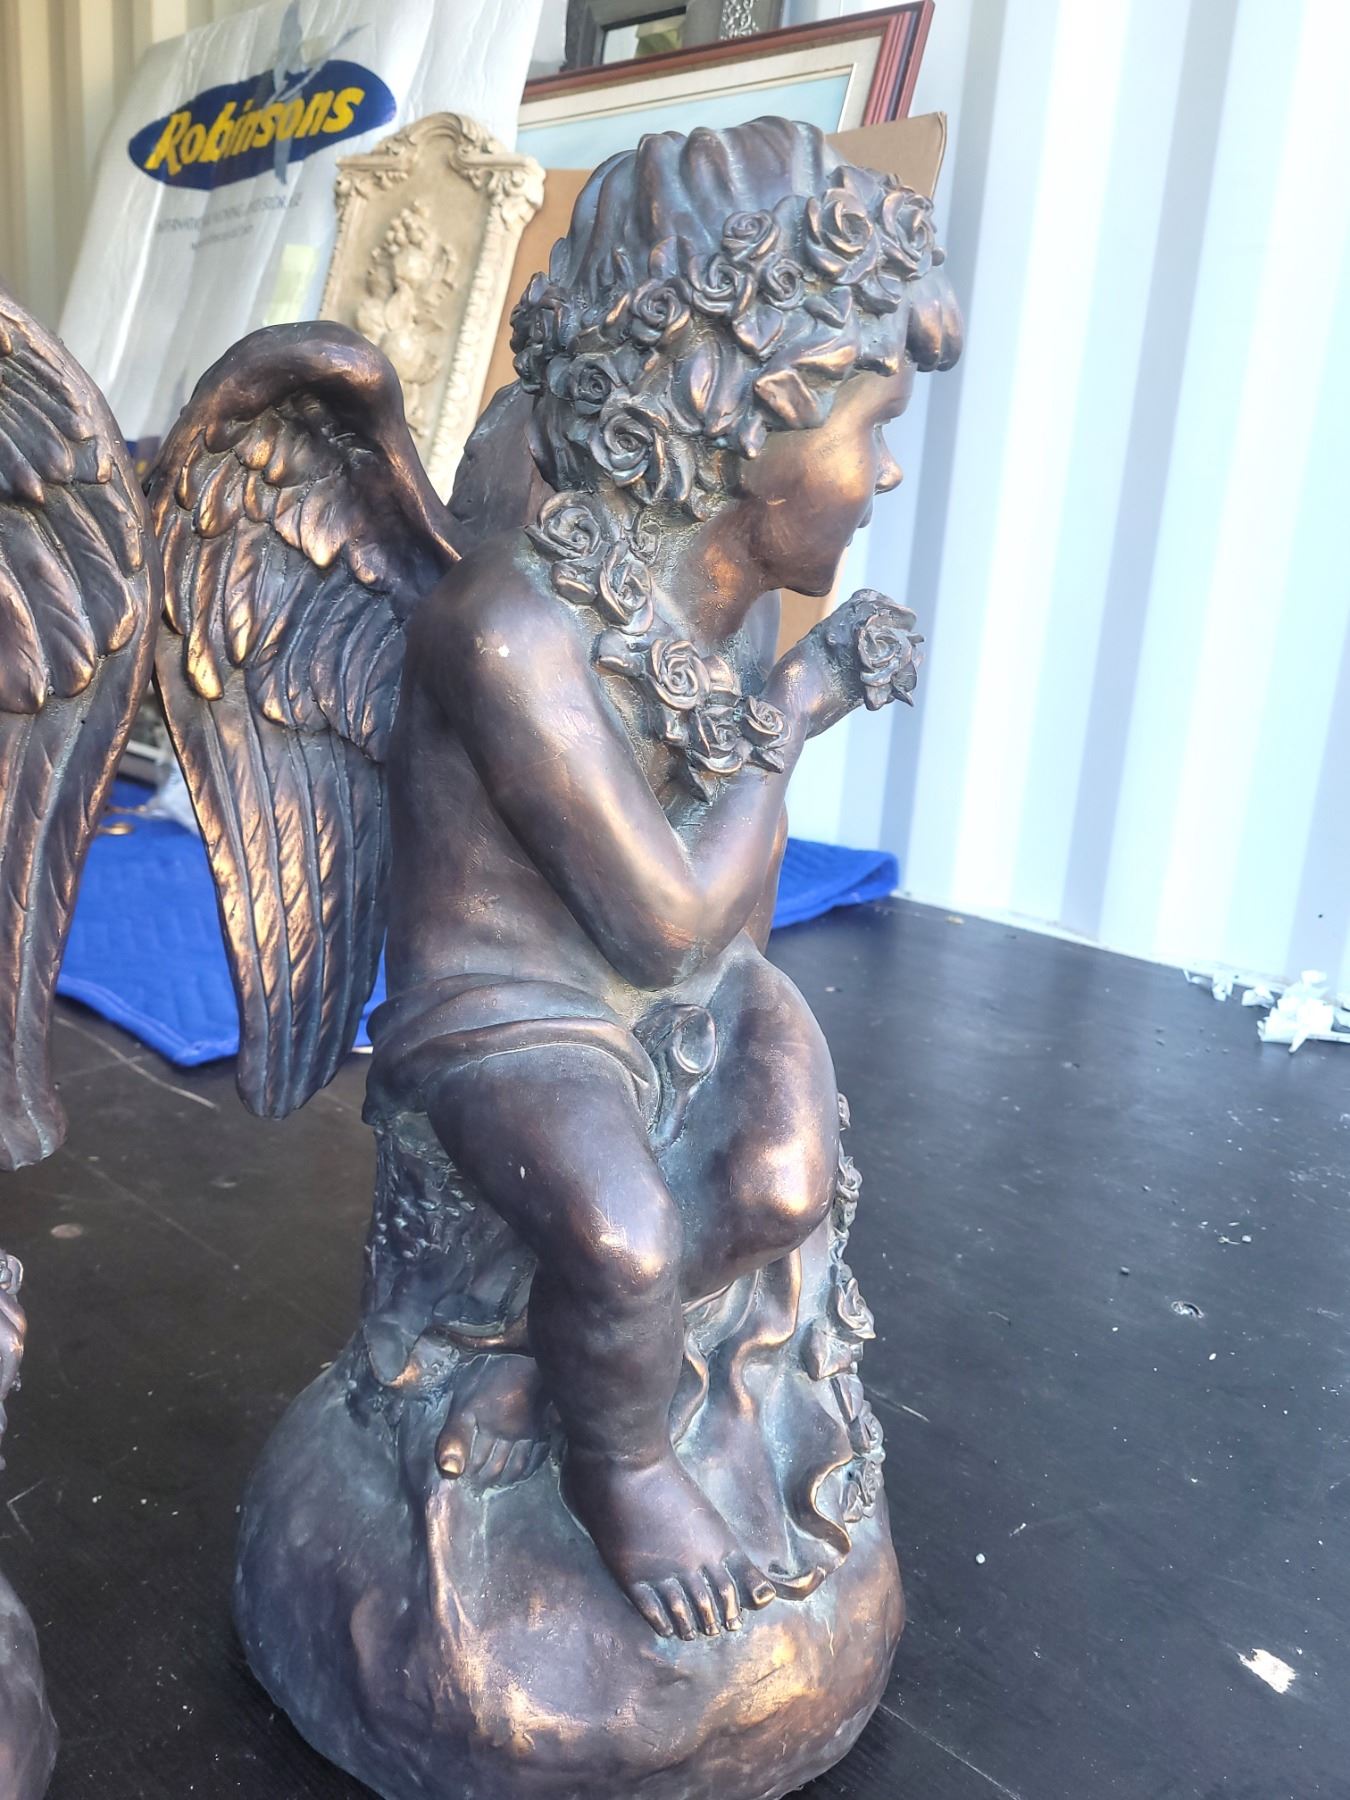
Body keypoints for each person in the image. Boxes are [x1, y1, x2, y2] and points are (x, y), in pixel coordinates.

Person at [369, 117, 963, 1642]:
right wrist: (802, 709)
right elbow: (665, 921)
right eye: (869, 425)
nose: (886, 472)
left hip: (686, 982)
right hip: (512, 1006)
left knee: (779, 1182)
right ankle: (620, 1464)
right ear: (756, 418)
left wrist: (737, 1022)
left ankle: (547, 1352)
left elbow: (724, 935)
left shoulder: (723, 605)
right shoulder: (510, 627)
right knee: (628, 1234)